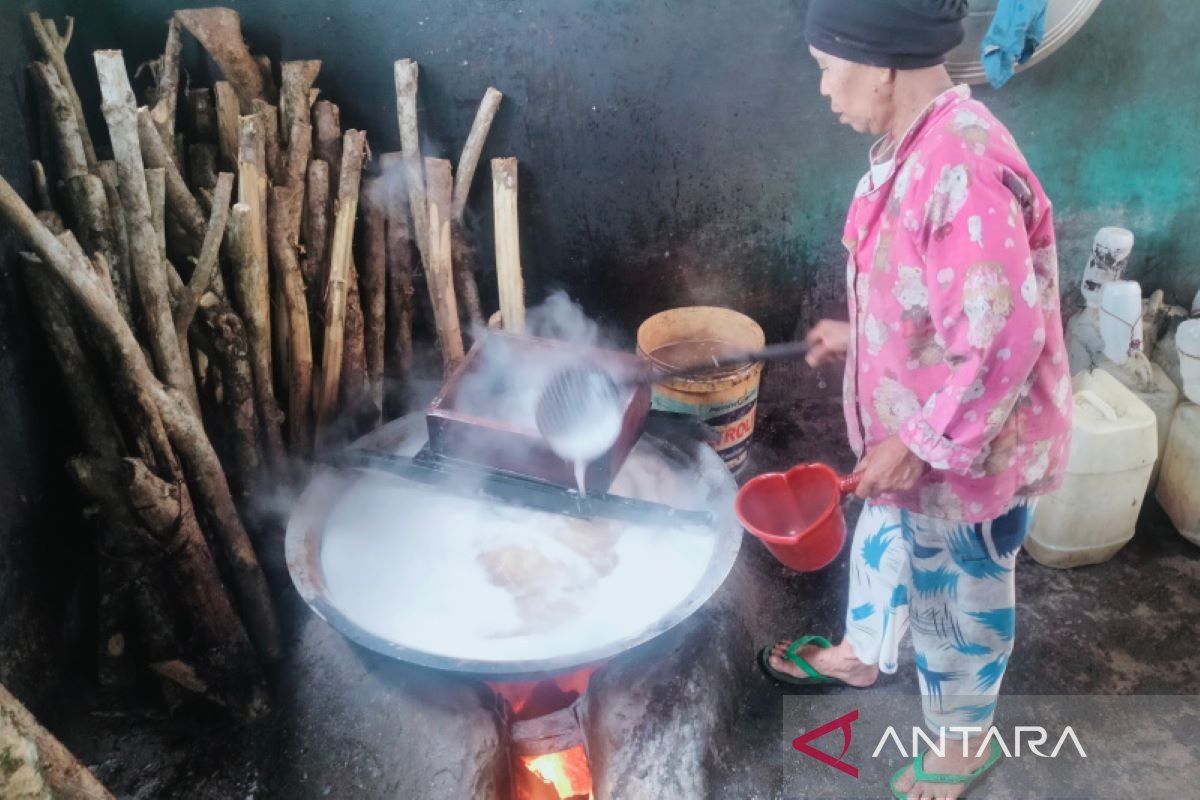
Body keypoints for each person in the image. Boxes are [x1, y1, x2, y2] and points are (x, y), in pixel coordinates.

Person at [759, 1, 1073, 798]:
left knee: (957, 605)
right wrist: (859, 336)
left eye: (830, 68)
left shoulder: (960, 169)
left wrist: (921, 445)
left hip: (961, 459)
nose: (825, 88)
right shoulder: (919, 146)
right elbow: (932, 298)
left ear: (883, 62)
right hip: (916, 441)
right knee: (882, 542)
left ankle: (962, 750)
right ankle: (866, 653)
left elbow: (1002, 341)